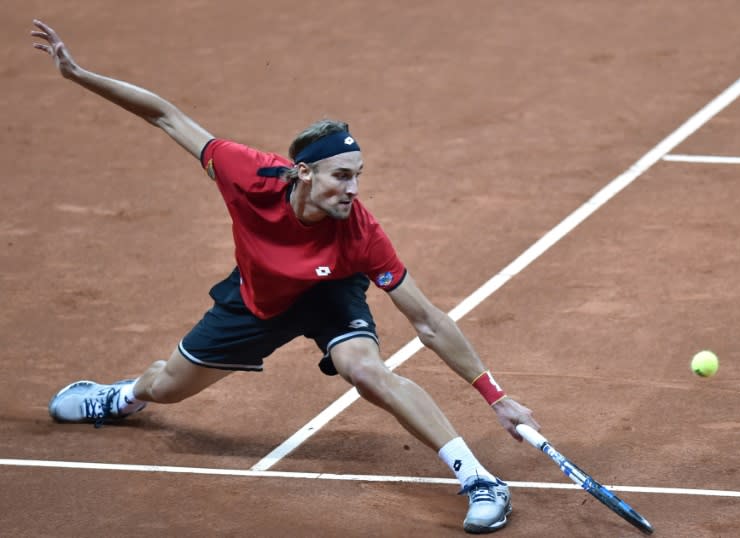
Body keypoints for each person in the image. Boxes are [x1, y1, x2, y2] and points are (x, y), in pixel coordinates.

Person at [31, 19, 540, 534]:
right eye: (343, 175)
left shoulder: (360, 232)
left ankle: (478, 479)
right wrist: (78, 74)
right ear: (304, 173)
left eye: (359, 174)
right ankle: (121, 397)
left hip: (330, 291)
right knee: (167, 387)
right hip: (258, 296)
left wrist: (495, 398)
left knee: (365, 371)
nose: (354, 188)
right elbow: (165, 115)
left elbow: (427, 320)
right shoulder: (244, 172)